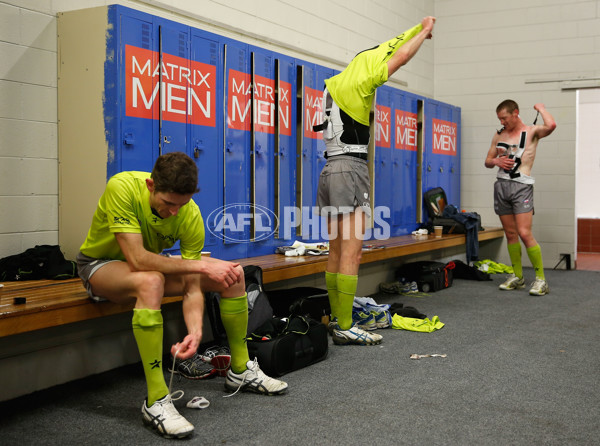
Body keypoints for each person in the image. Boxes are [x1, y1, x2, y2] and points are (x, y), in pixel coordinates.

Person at [76, 152, 287, 439]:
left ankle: (240, 369)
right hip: (100, 267)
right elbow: (137, 259)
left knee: (232, 275)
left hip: (149, 268)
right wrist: (200, 264)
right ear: (151, 186)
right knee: (151, 281)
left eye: (182, 204)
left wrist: (196, 332)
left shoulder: (190, 213)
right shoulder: (122, 187)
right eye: (168, 203)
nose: (175, 211)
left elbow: (191, 286)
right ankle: (156, 400)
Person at [316, 17, 436, 345]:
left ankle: (337, 320)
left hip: (328, 170)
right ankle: (344, 324)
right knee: (352, 253)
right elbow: (401, 57)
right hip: (350, 170)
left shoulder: (331, 84)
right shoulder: (360, 83)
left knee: (335, 250)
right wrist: (424, 32)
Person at [484, 100, 556, 295]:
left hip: (521, 186)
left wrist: (541, 109)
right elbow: (488, 161)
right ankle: (518, 277)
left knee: (524, 233)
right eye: (499, 118)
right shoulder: (499, 134)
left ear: (515, 113)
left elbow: (551, 125)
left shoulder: (532, 132)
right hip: (501, 186)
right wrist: (496, 160)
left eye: (504, 118)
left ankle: (541, 280)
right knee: (510, 233)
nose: (502, 122)